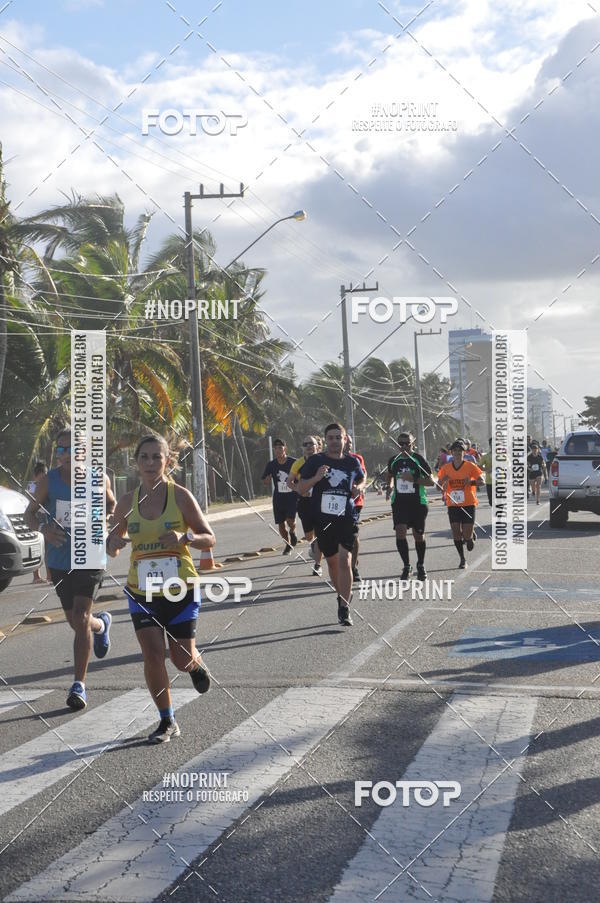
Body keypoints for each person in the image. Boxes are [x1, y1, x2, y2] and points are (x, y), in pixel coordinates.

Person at [107, 434, 215, 743]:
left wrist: (186, 538)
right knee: (153, 655)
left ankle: (195, 664)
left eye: (157, 457)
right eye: (145, 457)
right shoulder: (127, 502)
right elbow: (113, 544)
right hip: (141, 593)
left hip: (179, 589)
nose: (151, 463)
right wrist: (112, 542)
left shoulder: (180, 496)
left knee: (180, 659)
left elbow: (209, 537)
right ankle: (167, 720)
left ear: (168, 461)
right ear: (136, 462)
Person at [25, 428, 116, 710]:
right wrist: (45, 530)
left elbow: (112, 505)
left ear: (83, 452)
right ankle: (101, 625)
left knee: (80, 615)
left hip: (90, 555)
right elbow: (28, 515)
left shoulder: (99, 478)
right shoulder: (48, 482)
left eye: (71, 449)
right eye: (61, 449)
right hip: (60, 559)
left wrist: (105, 521)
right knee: (77, 622)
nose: (65, 455)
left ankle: (79, 685)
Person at [296, 423, 365, 627]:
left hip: (347, 517)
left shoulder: (352, 462)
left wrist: (358, 489)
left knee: (345, 560)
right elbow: (300, 488)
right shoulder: (315, 461)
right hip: (324, 521)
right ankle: (341, 596)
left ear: (345, 440)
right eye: (331, 438)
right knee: (333, 563)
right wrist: (317, 477)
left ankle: (344, 607)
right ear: (326, 440)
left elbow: (361, 479)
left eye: (339, 437)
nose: (335, 441)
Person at [386, 432, 433, 581]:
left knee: (418, 535)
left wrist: (413, 479)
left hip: (418, 502)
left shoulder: (418, 459)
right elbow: (390, 475)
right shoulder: (394, 460)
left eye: (407, 443)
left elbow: (431, 481)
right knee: (400, 532)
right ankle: (406, 566)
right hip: (399, 502)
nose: (404, 446)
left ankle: (421, 564)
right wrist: (390, 486)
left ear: (413, 443)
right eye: (401, 444)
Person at [438, 439, 485, 569]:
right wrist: (443, 481)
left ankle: (469, 538)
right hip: (453, 504)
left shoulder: (470, 466)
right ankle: (462, 559)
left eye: (460, 451)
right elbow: (438, 487)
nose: (458, 453)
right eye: (455, 451)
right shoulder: (445, 468)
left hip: (468, 503)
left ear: (464, 453)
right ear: (451, 453)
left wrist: (471, 483)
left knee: (466, 534)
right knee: (455, 532)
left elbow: (482, 482)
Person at [287, 436, 323, 576]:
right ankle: (314, 548)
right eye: (305, 444)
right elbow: (289, 481)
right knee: (310, 536)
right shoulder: (298, 463)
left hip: (320, 502)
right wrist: (299, 490)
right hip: (305, 502)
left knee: (320, 533)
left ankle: (318, 565)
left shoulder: (323, 460)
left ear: (317, 446)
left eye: (311, 444)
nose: (308, 446)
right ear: (302, 447)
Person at [261, 439, 298, 555]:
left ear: (285, 449)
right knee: (281, 524)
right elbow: (265, 481)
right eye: (275, 448)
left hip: (292, 496)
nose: (278, 451)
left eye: (280, 448)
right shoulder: (271, 465)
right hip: (278, 498)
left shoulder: (293, 462)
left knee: (290, 521)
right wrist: (267, 479)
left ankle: (292, 532)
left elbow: (300, 478)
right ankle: (287, 545)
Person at [344, 434, 366, 581]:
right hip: (335, 504)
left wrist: (358, 486)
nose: (349, 445)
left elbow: (363, 475)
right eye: (347, 442)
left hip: (354, 502)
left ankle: (353, 568)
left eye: (351, 442)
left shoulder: (357, 458)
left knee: (353, 535)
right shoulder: (325, 459)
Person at [27, 461, 49, 583]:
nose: (43, 476)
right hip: (36, 517)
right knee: (37, 547)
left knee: (48, 548)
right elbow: (32, 501)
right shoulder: (32, 486)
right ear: (36, 476)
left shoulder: (48, 485)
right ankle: (36, 576)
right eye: (41, 474)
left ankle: (50, 576)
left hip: (46, 516)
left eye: (45, 473)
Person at [479, 438, 493, 506]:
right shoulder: (485, 456)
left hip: (500, 481)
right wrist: (486, 469)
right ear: (490, 445)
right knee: (491, 501)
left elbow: (508, 465)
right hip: (489, 481)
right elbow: (479, 466)